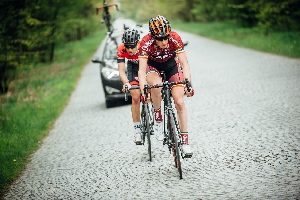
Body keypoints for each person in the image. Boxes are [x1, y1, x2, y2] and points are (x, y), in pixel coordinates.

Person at [138, 15, 194, 157]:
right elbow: (141, 69)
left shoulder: (175, 37)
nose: (163, 42)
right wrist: (143, 87)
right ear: (152, 36)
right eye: (160, 39)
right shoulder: (145, 42)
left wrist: (188, 82)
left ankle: (185, 142)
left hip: (171, 66)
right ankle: (157, 118)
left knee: (180, 102)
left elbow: (184, 64)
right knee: (156, 86)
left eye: (165, 38)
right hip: (152, 67)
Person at [117, 29, 142, 145]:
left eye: (132, 46)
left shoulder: (144, 46)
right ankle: (137, 130)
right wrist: (126, 83)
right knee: (135, 97)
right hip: (132, 67)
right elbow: (121, 71)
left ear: (137, 43)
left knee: (152, 92)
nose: (130, 49)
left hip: (145, 66)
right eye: (128, 47)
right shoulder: (121, 48)